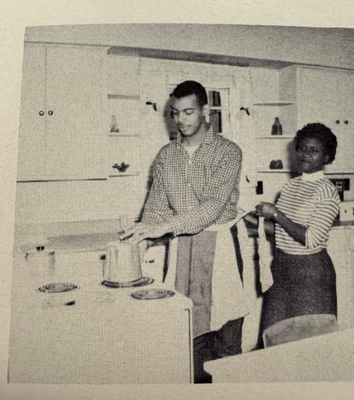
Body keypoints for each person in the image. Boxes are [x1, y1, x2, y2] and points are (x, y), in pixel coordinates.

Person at [121, 80, 250, 383]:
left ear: (205, 110)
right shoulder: (166, 155)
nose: (181, 120)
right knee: (188, 335)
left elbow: (213, 205)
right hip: (183, 251)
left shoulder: (228, 151)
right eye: (176, 113)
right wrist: (139, 240)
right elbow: (155, 207)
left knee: (227, 336)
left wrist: (165, 226)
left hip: (223, 250)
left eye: (189, 112)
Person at [255, 122, 340, 347]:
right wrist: (250, 221)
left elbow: (311, 239)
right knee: (272, 339)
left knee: (310, 346)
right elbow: (280, 231)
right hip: (282, 268)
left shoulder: (327, 190)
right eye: (302, 148)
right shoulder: (290, 187)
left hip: (311, 274)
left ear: (326, 157)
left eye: (314, 150)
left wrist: (276, 213)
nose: (306, 154)